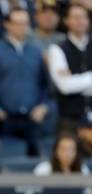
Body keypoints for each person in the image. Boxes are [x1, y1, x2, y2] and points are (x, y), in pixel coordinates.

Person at [0, 8, 50, 156]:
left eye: (25, 23)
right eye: (18, 23)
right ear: (7, 24)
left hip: (32, 118)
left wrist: (43, 105)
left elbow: (44, 84)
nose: (22, 27)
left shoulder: (36, 51)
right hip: (3, 118)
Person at [48, 4, 92, 132]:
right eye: (76, 17)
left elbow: (71, 83)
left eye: (83, 17)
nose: (80, 21)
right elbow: (64, 86)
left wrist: (75, 80)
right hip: (70, 119)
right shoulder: (57, 49)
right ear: (66, 21)